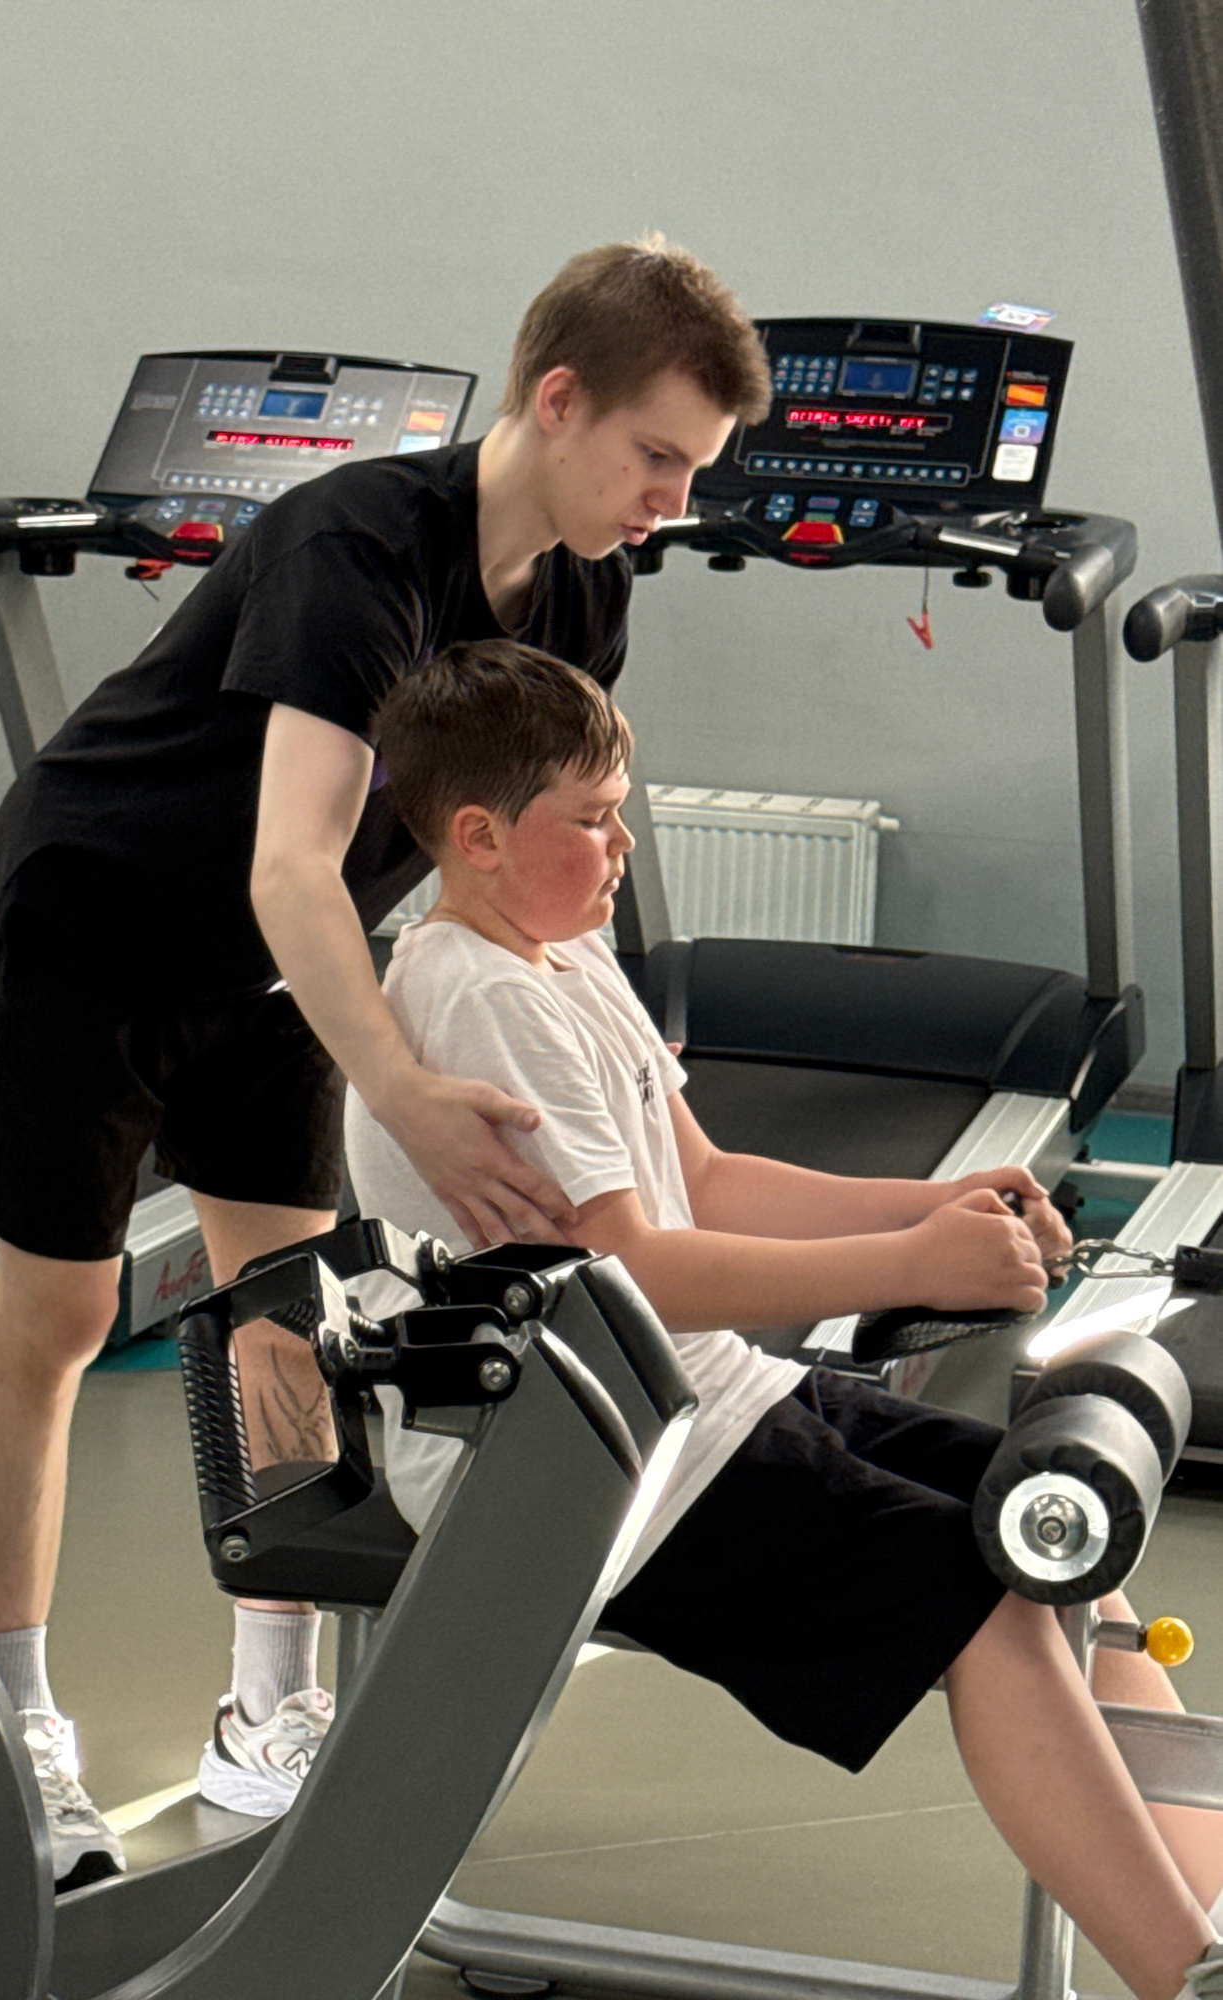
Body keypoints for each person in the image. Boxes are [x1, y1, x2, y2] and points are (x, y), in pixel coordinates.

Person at [0, 236, 773, 1880]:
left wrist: (623, 1072)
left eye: (695, 470)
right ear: (558, 399)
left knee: (292, 1308)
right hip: (98, 919)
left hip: (276, 968)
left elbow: (529, 854)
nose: (674, 502)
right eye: (658, 457)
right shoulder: (354, 546)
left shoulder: (585, 591)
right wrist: (407, 1095)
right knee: (62, 1316)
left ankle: (268, 1704)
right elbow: (292, 863)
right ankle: (11, 1724)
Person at [341, 639, 1223, 2000]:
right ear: (479, 837)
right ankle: (1185, 1975)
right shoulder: (479, 999)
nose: (624, 844)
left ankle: (1210, 1912)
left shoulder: (562, 955)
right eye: (593, 819)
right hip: (575, 1467)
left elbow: (705, 1181)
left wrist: (931, 1205)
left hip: (693, 1401)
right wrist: (907, 1264)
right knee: (987, 1609)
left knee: (1051, 1536)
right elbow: (633, 1269)